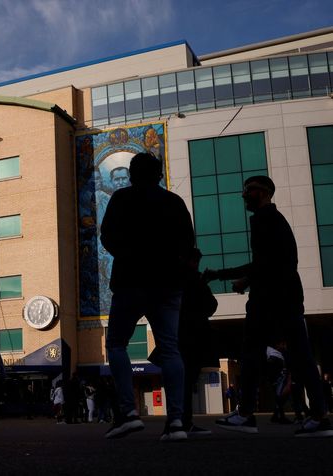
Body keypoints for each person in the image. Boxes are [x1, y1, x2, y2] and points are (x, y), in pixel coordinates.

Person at [205, 175, 333, 437]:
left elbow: (266, 263)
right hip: (287, 295)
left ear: (263, 192)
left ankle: (245, 415)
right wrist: (247, 279)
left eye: (248, 190)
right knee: (302, 356)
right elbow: (275, 261)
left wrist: (223, 274)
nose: (243, 195)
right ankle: (319, 416)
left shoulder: (265, 220)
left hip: (269, 297)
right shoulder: (275, 221)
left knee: (251, 353)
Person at [101, 152, 195, 441]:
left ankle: (129, 413)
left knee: (117, 344)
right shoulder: (174, 202)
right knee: (170, 348)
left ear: (131, 174)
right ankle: (177, 421)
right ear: (159, 174)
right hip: (168, 283)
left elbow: (106, 236)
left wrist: (129, 255)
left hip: (130, 281)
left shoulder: (121, 199)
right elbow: (188, 244)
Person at [149, 247, 218, 436]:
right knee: (187, 382)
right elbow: (211, 305)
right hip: (193, 337)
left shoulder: (171, 279)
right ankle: (182, 421)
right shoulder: (194, 280)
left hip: (175, 335)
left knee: (177, 381)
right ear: (192, 261)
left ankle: (176, 421)